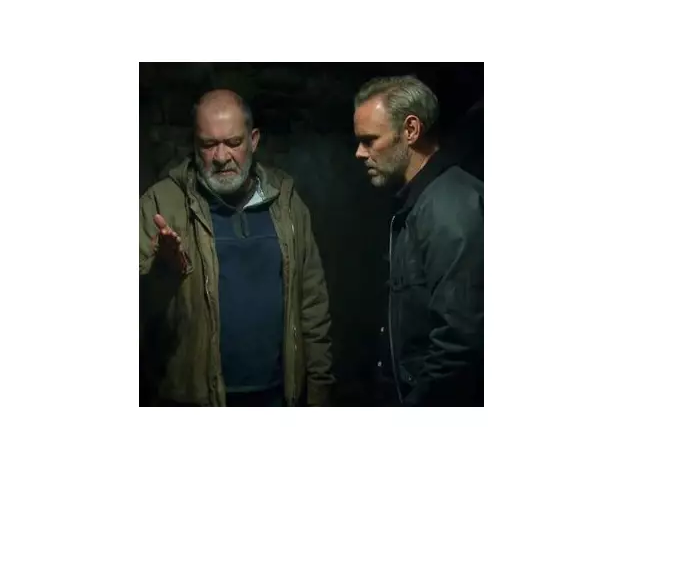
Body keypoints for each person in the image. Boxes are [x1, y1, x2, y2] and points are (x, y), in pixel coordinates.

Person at [139, 89, 334, 406]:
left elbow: (312, 304)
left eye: (233, 142)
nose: (221, 157)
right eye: (208, 144)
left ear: (253, 140)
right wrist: (163, 271)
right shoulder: (161, 204)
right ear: (194, 144)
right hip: (195, 401)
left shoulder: (286, 203)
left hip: (279, 395)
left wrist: (319, 392)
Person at [353, 76, 483, 406]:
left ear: (411, 130)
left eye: (370, 140)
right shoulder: (418, 203)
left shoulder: (449, 208)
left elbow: (459, 345)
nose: (359, 153)